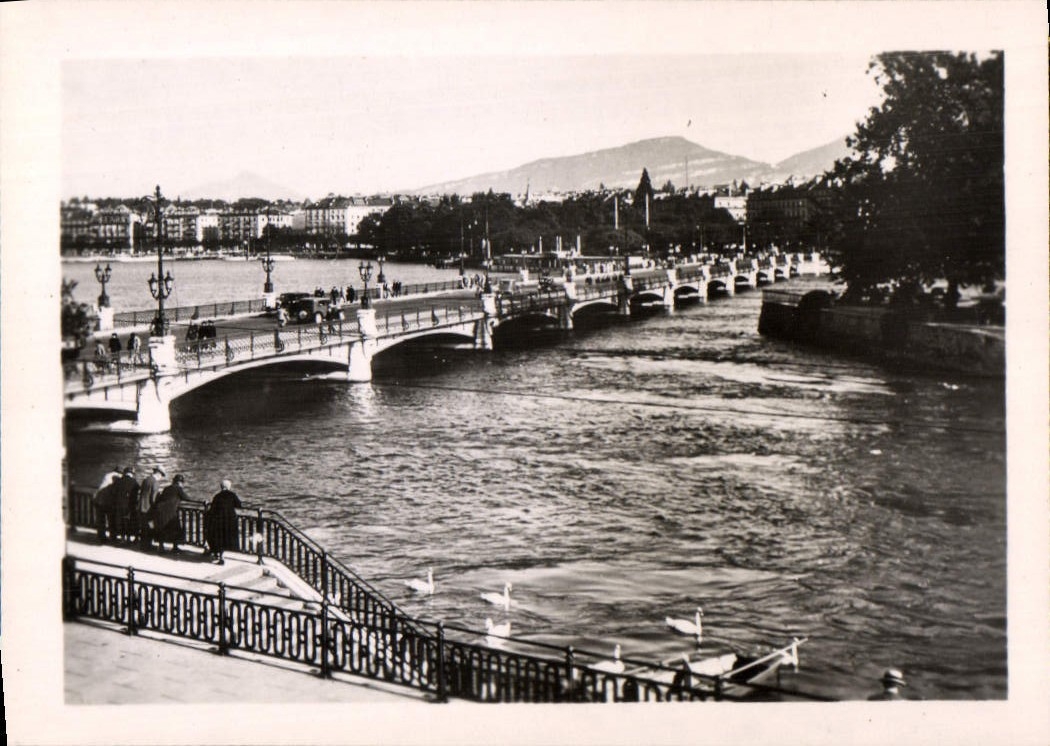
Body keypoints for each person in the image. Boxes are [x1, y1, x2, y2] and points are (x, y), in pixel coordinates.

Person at [147, 473, 189, 553]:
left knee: (162, 528)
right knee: (175, 529)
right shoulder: (178, 489)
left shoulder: (167, 488)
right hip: (170, 512)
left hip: (160, 510)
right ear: (180, 483)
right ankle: (175, 547)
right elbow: (186, 497)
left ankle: (161, 546)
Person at [204, 479, 242, 564]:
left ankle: (219, 555)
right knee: (227, 538)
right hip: (230, 521)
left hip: (219, 521)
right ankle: (222, 556)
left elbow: (212, 509)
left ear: (221, 487)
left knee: (219, 538)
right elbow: (239, 505)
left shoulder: (217, 496)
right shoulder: (232, 495)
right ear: (228, 487)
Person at [92, 466, 122, 543]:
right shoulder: (117, 477)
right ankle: (113, 537)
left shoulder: (107, 475)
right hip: (107, 502)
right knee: (111, 519)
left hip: (98, 500)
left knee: (101, 520)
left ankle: (101, 537)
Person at [137, 466, 165, 547]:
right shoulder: (155, 483)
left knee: (143, 527)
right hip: (148, 509)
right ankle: (147, 545)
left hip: (141, 506)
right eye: (162, 475)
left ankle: (143, 545)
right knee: (150, 527)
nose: (161, 478)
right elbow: (153, 499)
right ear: (159, 473)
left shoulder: (146, 480)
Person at [114, 466, 140, 543]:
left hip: (119, 504)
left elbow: (114, 492)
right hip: (129, 505)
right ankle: (128, 538)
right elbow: (137, 492)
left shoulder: (119, 481)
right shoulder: (134, 482)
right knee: (128, 522)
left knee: (121, 521)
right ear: (132, 474)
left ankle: (122, 539)